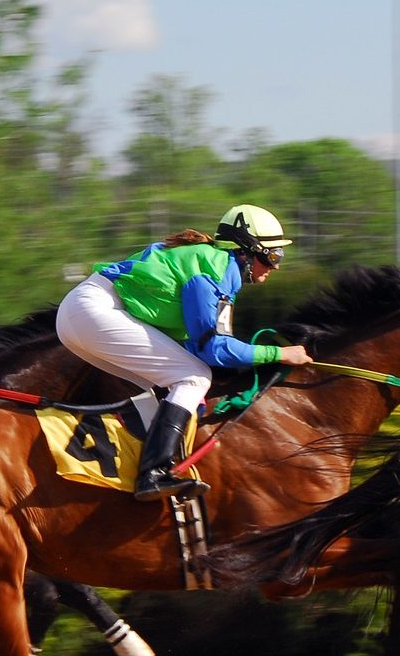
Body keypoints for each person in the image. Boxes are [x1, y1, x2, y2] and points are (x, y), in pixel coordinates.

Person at [56, 204, 314, 500]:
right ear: (247, 250)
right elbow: (214, 350)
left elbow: (196, 343)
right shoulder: (214, 270)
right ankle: (153, 473)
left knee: (163, 391)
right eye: (272, 256)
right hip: (94, 311)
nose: (276, 266)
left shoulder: (214, 264)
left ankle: (128, 468)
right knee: (194, 378)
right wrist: (279, 355)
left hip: (81, 314)